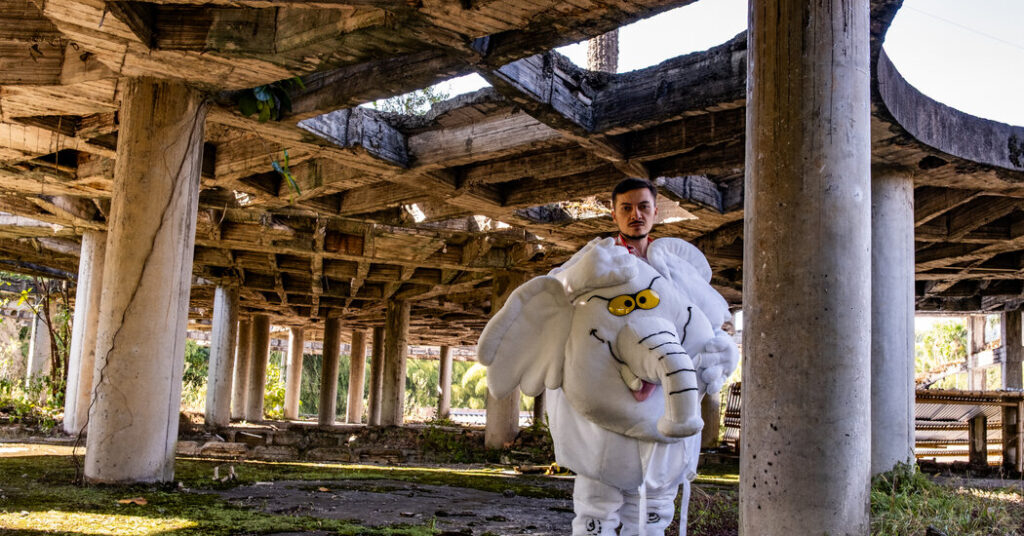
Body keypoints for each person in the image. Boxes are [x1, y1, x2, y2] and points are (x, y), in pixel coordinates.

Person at [544, 177, 731, 536]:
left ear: (656, 212)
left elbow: (712, 319)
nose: (635, 215)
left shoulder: (674, 268)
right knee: (597, 501)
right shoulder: (594, 260)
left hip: (663, 404)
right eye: (626, 208)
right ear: (613, 213)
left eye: (643, 207)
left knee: (654, 504)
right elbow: (555, 291)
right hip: (606, 403)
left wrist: (723, 354)